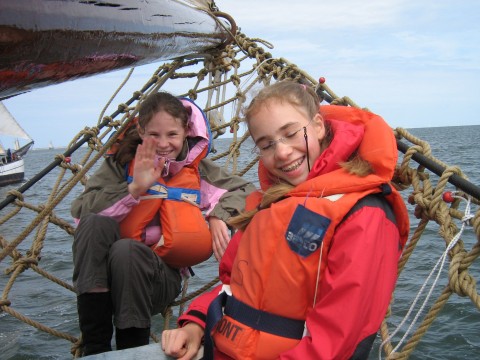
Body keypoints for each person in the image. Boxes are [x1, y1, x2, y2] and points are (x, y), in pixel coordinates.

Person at [161, 80, 410, 359]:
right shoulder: (270, 204)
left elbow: (337, 342)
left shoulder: (364, 212)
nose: (281, 152)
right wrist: (195, 322)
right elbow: (233, 285)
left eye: (291, 133)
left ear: (317, 126)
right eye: (266, 145)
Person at [71, 91, 255, 356]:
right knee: (93, 224)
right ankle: (94, 347)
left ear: (185, 132)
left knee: (128, 251)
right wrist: (134, 189)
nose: (164, 143)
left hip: (156, 281)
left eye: (172, 134)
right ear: (141, 130)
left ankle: (131, 350)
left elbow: (246, 192)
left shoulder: (199, 171)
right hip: (102, 281)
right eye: (154, 135)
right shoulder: (120, 165)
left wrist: (218, 215)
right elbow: (80, 212)